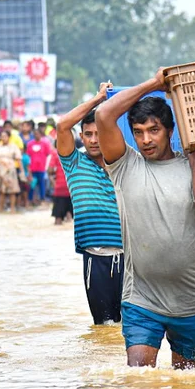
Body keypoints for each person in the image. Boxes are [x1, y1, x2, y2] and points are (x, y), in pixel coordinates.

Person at [96, 70, 195, 369]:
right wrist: (155, 84)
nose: (146, 139)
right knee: (140, 381)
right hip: (141, 301)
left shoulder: (193, 167)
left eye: (154, 130)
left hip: (189, 302)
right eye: (138, 132)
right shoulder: (125, 165)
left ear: (169, 131)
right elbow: (103, 115)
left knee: (188, 386)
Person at [56, 82, 124, 325]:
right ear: (81, 137)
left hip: (131, 257)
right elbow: (62, 126)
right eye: (88, 134)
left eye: (99, 133)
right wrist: (98, 99)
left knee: (132, 325)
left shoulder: (124, 163)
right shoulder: (74, 163)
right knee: (104, 327)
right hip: (95, 257)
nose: (94, 140)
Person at [0, 130, 22, 213]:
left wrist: (22, 172)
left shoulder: (14, 146)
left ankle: (12, 209)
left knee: (12, 190)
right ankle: (0, 209)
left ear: (9, 137)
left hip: (10, 169)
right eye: (2, 136)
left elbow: (18, 159)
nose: (3, 138)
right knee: (1, 191)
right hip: (0, 169)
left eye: (5, 136)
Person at [26, 127, 52, 205]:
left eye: (37, 134)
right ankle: (30, 200)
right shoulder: (30, 144)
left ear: (40, 134)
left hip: (41, 168)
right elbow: (28, 156)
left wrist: (46, 166)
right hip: (32, 168)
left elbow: (48, 155)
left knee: (42, 184)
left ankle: (42, 199)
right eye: (34, 134)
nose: (36, 135)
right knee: (32, 184)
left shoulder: (45, 144)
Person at [48, 147, 73, 225]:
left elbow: (50, 169)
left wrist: (53, 181)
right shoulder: (73, 152)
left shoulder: (55, 153)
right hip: (71, 186)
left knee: (58, 219)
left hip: (60, 186)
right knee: (70, 217)